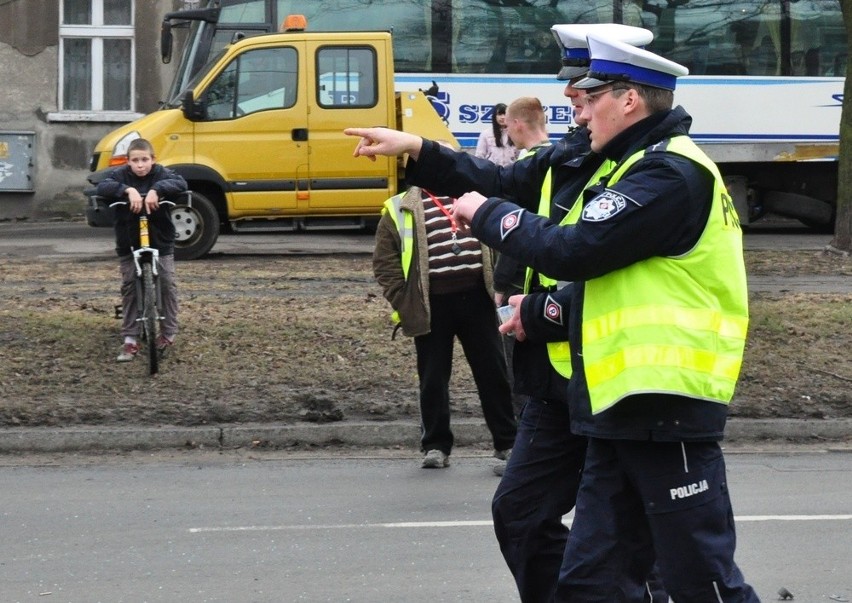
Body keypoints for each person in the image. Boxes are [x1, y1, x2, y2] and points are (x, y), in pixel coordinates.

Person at [346, 23, 668, 603]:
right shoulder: (572, 153)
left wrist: (537, 305)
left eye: (583, 88)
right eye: (572, 86)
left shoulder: (646, 170)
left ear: (625, 98)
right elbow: (496, 177)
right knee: (520, 513)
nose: (570, 97)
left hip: (612, 376)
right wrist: (417, 148)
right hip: (556, 374)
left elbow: (596, 264)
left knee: (626, 541)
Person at [450, 35, 759, 601]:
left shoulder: (666, 174)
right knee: (591, 581)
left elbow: (576, 250)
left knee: (700, 579)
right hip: (618, 404)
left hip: (667, 406)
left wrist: (488, 213)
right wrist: (541, 312)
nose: (579, 109)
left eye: (591, 99)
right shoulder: (632, 167)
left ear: (630, 100)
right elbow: (616, 286)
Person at [372, 145, 517, 469]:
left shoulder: (475, 197)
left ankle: (507, 443)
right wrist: (404, 301)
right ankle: (435, 446)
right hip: (432, 305)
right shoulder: (400, 208)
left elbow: (505, 240)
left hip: (479, 301)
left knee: (494, 373)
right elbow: (384, 264)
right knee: (433, 377)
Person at [96, 138, 188, 362]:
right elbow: (102, 185)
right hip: (129, 239)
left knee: (167, 281)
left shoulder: (161, 173)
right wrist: (127, 190)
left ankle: (168, 332)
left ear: (153, 159)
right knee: (129, 284)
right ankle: (130, 339)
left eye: (145, 160)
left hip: (160, 238)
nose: (140, 165)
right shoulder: (120, 175)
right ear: (127, 161)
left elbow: (180, 183)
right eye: (135, 160)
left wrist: (157, 189)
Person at [475, 102, 519, 167]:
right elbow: (479, 156)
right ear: (494, 116)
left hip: (510, 172)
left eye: (505, 114)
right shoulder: (486, 134)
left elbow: (520, 155)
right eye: (499, 114)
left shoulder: (515, 133)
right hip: (491, 172)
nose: (502, 117)